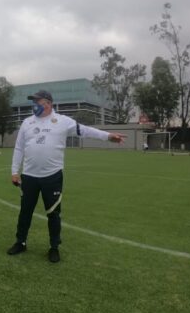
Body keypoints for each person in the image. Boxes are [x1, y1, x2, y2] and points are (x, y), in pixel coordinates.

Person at [8, 90, 126, 263]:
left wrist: (108, 136)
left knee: (53, 214)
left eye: (37, 101)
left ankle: (54, 247)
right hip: (29, 176)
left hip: (52, 176)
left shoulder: (63, 121)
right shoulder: (27, 122)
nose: (34, 105)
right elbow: (19, 148)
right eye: (33, 102)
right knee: (25, 212)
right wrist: (14, 171)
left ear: (48, 103)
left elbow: (85, 131)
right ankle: (21, 242)